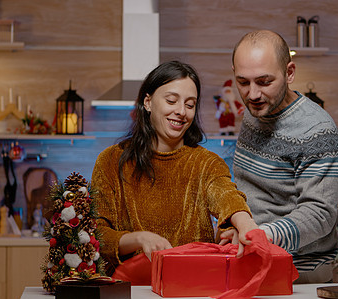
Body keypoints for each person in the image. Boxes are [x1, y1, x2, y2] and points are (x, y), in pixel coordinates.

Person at [91, 61, 259, 276]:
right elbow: (96, 234)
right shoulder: (111, 161)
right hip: (130, 290)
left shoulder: (206, 162)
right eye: (171, 101)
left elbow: (226, 195)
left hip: (193, 287)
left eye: (190, 105)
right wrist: (138, 239)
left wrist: (242, 223)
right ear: (148, 102)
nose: (181, 112)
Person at [231, 30, 338, 283]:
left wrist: (261, 234)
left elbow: (320, 214)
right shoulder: (255, 112)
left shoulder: (317, 131)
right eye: (243, 82)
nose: (252, 94)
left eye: (264, 82)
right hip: (252, 260)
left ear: (290, 73)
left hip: (299, 272)